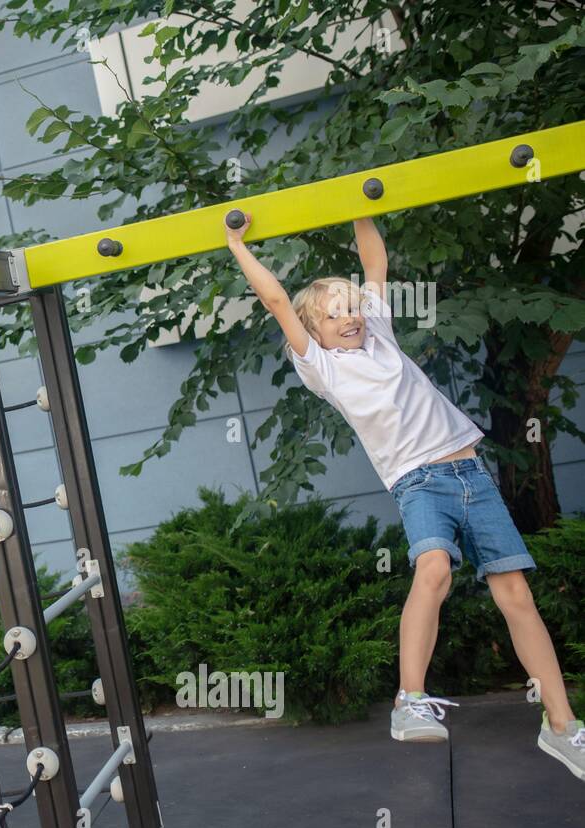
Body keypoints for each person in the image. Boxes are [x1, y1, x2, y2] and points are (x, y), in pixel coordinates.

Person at [225, 212, 582, 781]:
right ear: (313, 331)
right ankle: (409, 699)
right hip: (419, 482)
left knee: (516, 592)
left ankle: (562, 726)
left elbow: (375, 263)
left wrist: (360, 206)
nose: (350, 315)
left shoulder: (382, 335)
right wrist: (236, 245)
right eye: (334, 312)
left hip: (473, 476)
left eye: (353, 306)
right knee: (434, 570)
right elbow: (275, 301)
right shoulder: (321, 369)